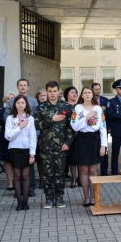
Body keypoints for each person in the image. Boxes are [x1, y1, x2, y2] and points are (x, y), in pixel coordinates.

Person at [34, 81, 74, 209]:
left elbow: (70, 127)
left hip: (61, 146)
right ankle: (49, 199)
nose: (52, 94)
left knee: (60, 173)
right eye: (50, 91)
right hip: (45, 146)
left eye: (54, 91)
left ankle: (60, 198)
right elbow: (35, 125)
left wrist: (68, 143)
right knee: (47, 173)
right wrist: (51, 119)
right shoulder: (40, 108)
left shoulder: (66, 107)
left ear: (58, 92)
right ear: (46, 92)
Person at [70, 86, 107, 207]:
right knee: (84, 170)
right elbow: (74, 126)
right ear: (82, 95)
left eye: (89, 92)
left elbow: (103, 127)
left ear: (92, 95)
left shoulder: (98, 108)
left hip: (95, 140)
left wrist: (103, 146)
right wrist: (86, 117)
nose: (87, 94)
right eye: (85, 93)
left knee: (93, 170)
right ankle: (86, 198)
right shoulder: (77, 108)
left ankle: (93, 197)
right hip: (82, 140)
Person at [4, 79, 39, 197]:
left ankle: (30, 188)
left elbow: (37, 119)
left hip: (29, 138)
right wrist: (15, 126)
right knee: (17, 171)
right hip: (15, 139)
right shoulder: (12, 102)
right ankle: (19, 191)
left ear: (28, 87)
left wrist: (36, 136)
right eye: (21, 85)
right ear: (17, 87)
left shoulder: (34, 101)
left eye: (25, 85)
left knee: (29, 167)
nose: (23, 87)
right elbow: (6, 117)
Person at [0, 92, 16, 190]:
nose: (10, 100)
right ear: (5, 101)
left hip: (17, 138)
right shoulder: (2, 111)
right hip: (5, 139)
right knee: (7, 161)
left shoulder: (19, 110)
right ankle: (10, 183)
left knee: (16, 160)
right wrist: (8, 118)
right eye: (8, 98)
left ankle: (17, 182)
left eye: (12, 98)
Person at [93, 83, 110, 176]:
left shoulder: (105, 100)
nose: (98, 91)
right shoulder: (90, 101)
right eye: (96, 89)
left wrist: (109, 127)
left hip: (103, 128)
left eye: (99, 89)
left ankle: (104, 170)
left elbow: (109, 115)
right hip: (93, 129)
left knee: (104, 149)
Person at [64, 86, 80, 188]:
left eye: (75, 92)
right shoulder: (64, 106)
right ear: (67, 95)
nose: (74, 94)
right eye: (72, 92)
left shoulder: (80, 106)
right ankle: (73, 179)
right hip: (68, 135)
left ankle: (81, 178)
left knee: (81, 158)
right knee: (72, 158)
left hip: (80, 135)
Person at [34, 89, 47, 189]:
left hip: (49, 136)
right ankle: (41, 179)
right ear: (37, 97)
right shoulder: (35, 108)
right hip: (39, 137)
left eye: (44, 95)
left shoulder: (50, 107)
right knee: (39, 160)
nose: (43, 97)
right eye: (41, 96)